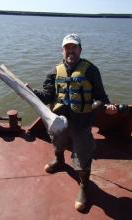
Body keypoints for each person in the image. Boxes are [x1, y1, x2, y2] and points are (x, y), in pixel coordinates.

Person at [33, 33, 117, 212]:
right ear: (62, 50)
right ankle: (59, 161)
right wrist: (31, 92)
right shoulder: (54, 72)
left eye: (74, 47)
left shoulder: (91, 70)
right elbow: (48, 95)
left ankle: (84, 186)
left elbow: (102, 98)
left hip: (82, 122)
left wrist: (100, 106)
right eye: (67, 48)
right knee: (57, 141)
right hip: (59, 120)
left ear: (80, 49)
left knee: (83, 154)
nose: (70, 51)